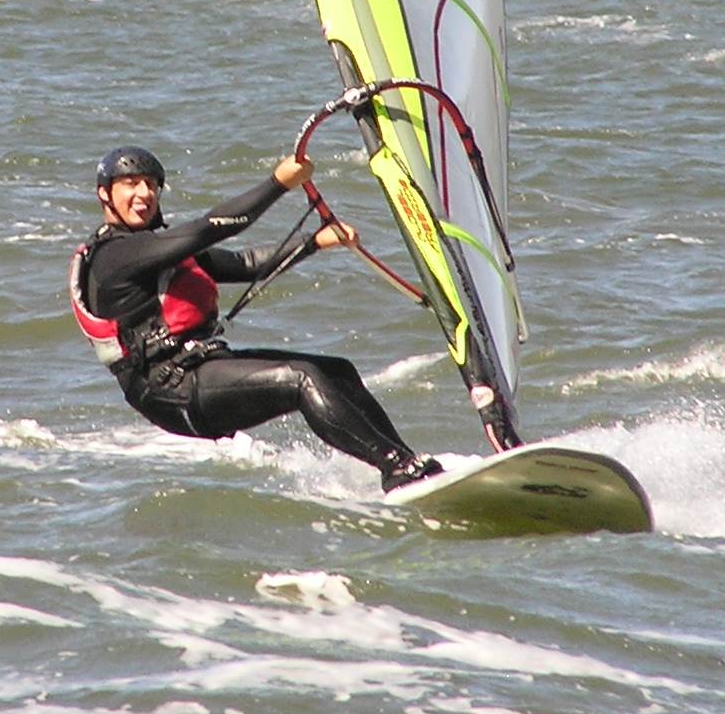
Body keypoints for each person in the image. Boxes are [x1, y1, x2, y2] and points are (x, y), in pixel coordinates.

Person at [68, 144, 444, 492]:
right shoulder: (114, 256)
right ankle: (395, 468)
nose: (145, 193)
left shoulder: (153, 250)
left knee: (338, 371)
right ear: (105, 194)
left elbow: (245, 263)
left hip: (198, 369)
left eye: (151, 185)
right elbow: (210, 227)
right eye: (131, 184)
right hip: (171, 391)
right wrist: (278, 183)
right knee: (301, 379)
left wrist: (314, 243)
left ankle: (407, 460)